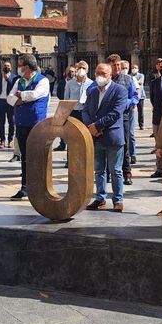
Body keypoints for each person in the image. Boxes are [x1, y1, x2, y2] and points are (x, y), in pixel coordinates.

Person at [83, 63, 130, 212]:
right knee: (99, 170)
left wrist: (98, 126)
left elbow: (116, 113)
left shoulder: (119, 90)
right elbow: (85, 110)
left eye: (103, 73)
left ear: (110, 75)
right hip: (95, 137)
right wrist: (91, 126)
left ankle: (118, 200)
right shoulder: (92, 92)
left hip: (112, 136)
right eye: (97, 73)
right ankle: (100, 198)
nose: (99, 76)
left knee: (115, 170)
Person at [8, 54, 49, 200]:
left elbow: (37, 94)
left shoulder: (42, 80)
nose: (17, 68)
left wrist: (21, 95)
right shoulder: (19, 81)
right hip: (21, 123)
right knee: (25, 157)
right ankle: (25, 187)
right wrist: (20, 99)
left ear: (26, 67)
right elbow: (10, 98)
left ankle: (40, 186)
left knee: (37, 156)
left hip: (35, 123)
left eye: (20, 65)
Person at [109, 55, 138, 182]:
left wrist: (127, 103)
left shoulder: (128, 79)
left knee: (124, 144)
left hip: (123, 116)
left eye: (118, 65)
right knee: (107, 144)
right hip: (108, 116)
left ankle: (127, 173)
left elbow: (135, 97)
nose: (117, 68)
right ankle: (107, 172)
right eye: (114, 65)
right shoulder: (106, 79)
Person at [0, 61, 17, 149]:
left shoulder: (14, 78)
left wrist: (8, 79)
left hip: (10, 102)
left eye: (8, 66)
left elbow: (14, 88)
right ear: (2, 67)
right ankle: (2, 141)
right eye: (5, 66)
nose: (6, 67)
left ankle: (10, 141)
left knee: (11, 122)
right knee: (1, 123)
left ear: (10, 67)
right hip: (0, 101)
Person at [53, 66, 76, 152]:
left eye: (73, 71)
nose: (71, 73)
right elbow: (59, 94)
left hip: (74, 108)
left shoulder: (77, 82)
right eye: (69, 71)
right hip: (64, 106)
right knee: (61, 126)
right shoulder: (62, 82)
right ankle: (62, 143)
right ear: (66, 72)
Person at [132, 64, 146, 130]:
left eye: (135, 68)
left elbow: (140, 83)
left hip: (141, 95)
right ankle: (132, 124)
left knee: (140, 111)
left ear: (138, 69)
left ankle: (141, 124)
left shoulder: (141, 75)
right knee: (131, 111)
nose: (134, 69)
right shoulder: (129, 75)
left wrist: (134, 81)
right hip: (133, 95)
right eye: (133, 68)